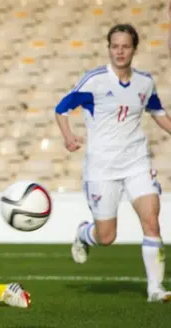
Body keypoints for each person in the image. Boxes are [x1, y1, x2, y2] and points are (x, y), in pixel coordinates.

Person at [55, 23, 171, 303]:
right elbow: (61, 109)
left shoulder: (145, 82)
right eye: (115, 46)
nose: (120, 52)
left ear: (134, 49)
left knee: (152, 222)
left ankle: (155, 289)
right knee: (106, 237)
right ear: (109, 48)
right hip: (102, 168)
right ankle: (85, 234)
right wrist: (69, 136)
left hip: (137, 162)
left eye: (125, 46)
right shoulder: (95, 80)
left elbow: (158, 112)